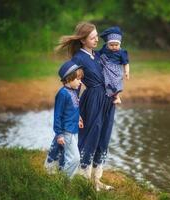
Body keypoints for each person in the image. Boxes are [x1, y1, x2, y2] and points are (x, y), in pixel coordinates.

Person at [55, 22, 116, 191]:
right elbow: (75, 86)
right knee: (91, 137)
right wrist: (76, 112)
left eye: (97, 36)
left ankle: (97, 180)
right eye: (93, 37)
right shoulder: (78, 59)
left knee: (103, 137)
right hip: (93, 101)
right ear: (83, 40)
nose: (97, 39)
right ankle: (83, 178)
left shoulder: (97, 55)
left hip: (107, 101)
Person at [44, 60, 83, 178]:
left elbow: (73, 109)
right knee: (75, 159)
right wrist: (59, 134)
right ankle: (64, 181)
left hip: (74, 129)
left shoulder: (73, 91)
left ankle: (66, 179)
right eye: (78, 79)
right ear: (68, 79)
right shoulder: (62, 94)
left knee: (69, 157)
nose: (80, 82)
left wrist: (79, 119)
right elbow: (58, 115)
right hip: (67, 132)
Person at [99, 26, 130, 104]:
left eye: (116, 45)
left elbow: (126, 63)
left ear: (119, 44)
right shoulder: (105, 49)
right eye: (111, 45)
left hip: (116, 70)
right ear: (107, 44)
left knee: (114, 83)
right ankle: (111, 95)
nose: (114, 47)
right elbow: (98, 54)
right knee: (107, 82)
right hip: (106, 67)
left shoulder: (122, 52)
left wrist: (127, 72)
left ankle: (117, 97)